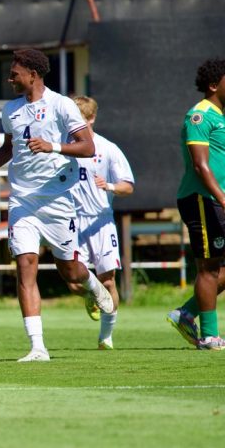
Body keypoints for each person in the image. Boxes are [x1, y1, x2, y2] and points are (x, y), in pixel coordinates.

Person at [0, 49, 115, 362]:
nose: (10, 78)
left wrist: (52, 146)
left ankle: (92, 285)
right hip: (22, 199)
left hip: (57, 199)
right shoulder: (11, 109)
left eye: (15, 73)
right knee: (25, 267)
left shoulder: (61, 105)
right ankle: (38, 347)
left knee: (70, 271)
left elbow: (88, 146)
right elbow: (10, 147)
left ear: (33, 75)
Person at [166, 58, 225, 351]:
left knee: (217, 266)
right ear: (214, 85)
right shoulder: (200, 116)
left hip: (218, 199)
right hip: (203, 199)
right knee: (209, 266)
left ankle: (186, 312)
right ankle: (210, 336)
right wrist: (223, 198)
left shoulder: (222, 115)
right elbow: (201, 166)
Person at [67, 96, 134, 350]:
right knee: (73, 282)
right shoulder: (63, 148)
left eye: (80, 120)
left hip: (100, 222)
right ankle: (90, 294)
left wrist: (110, 186)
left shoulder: (108, 148)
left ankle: (106, 337)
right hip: (71, 222)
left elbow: (128, 186)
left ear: (91, 118)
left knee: (108, 281)